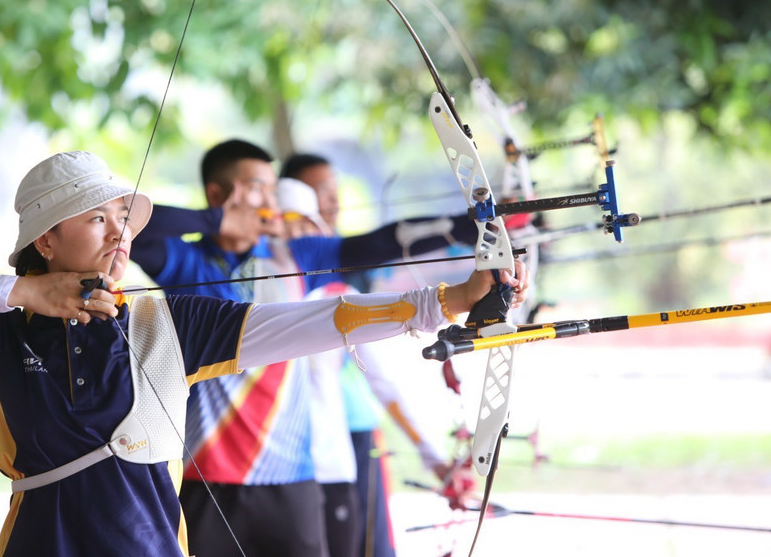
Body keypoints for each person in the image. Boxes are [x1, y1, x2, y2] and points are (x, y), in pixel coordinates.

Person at [0, 150, 528, 557]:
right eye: (97, 217)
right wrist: (22, 290)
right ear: (47, 241)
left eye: (122, 215)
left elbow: (319, 322)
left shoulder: (169, 322)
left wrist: (447, 300)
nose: (120, 230)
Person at [129, 140, 507, 557]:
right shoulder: (185, 262)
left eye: (273, 190)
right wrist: (214, 220)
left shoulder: (293, 255)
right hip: (206, 475)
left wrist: (473, 225)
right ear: (219, 194)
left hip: (293, 476)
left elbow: (377, 244)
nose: (270, 202)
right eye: (257, 188)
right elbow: (127, 223)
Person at [281, 152, 463, 557]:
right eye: (317, 194)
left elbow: (379, 374)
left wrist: (431, 453)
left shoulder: (339, 283)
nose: (331, 203)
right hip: (288, 460)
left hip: (347, 441)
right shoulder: (273, 282)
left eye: (334, 192)